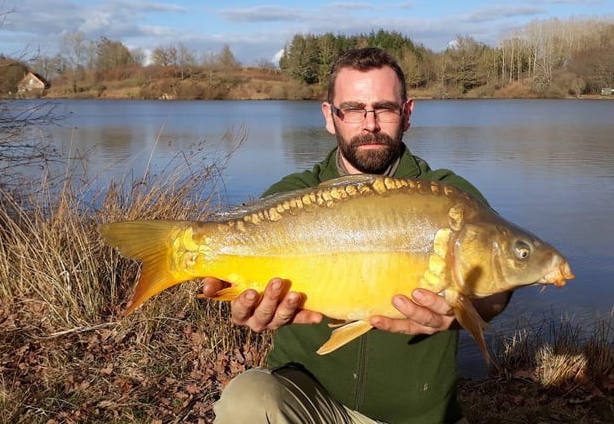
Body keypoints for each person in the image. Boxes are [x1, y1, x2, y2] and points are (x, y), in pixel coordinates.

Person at [202, 47, 512, 423]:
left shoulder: (449, 196)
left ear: (407, 113)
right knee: (246, 401)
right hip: (310, 403)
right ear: (329, 117)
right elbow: (242, 286)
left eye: (384, 108)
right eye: (352, 109)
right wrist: (245, 305)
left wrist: (471, 307)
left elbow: (499, 284)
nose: (370, 125)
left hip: (419, 416)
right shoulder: (295, 192)